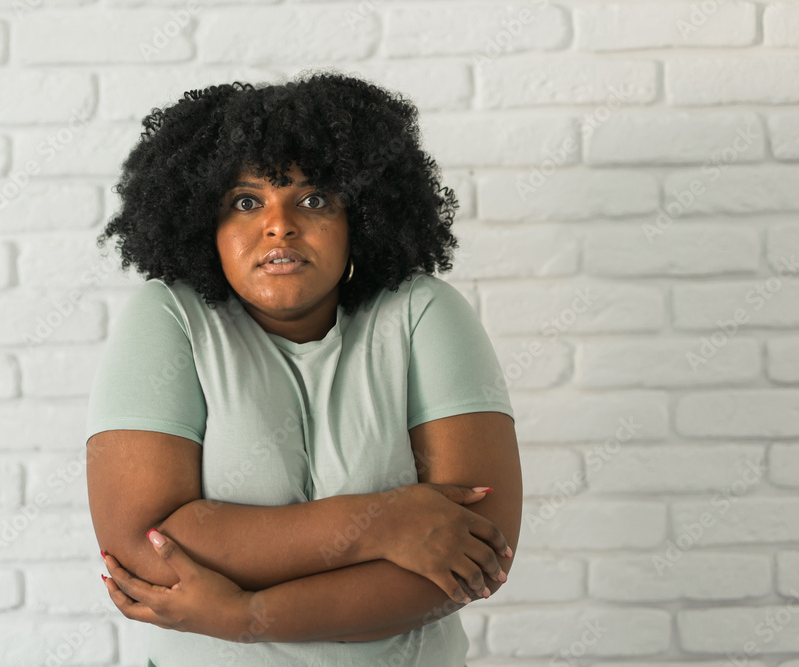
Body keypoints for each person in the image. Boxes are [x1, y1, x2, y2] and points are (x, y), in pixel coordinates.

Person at [85, 70, 522, 667]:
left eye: (314, 199)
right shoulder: (170, 317)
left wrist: (242, 617)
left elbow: (477, 553)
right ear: (204, 222)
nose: (280, 225)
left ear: (360, 216)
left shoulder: (423, 313)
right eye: (246, 202)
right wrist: (384, 524)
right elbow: (144, 547)